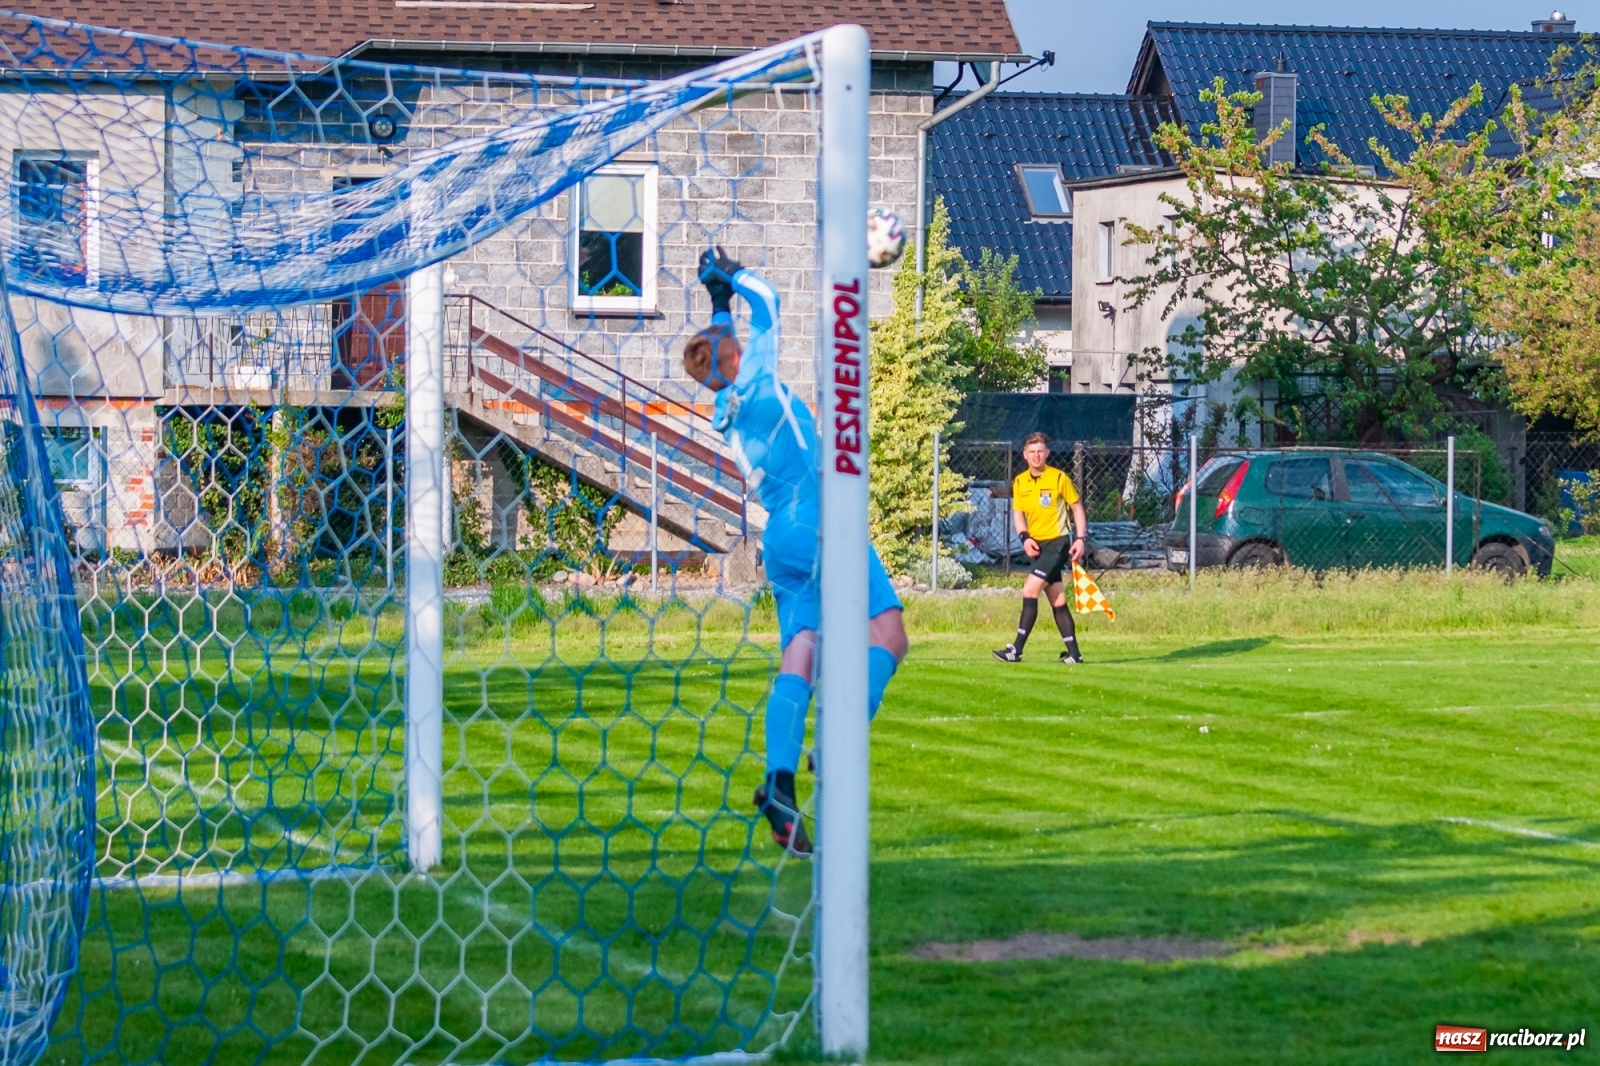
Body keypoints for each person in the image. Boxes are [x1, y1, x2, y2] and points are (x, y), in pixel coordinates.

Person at [683, 246, 908, 855]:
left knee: (802, 653)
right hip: (822, 521)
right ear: (734, 357)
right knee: (888, 635)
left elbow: (725, 335)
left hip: (779, 538)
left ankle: (780, 782)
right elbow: (771, 303)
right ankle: (836, 745)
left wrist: (715, 299)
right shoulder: (756, 380)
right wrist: (734, 274)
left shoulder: (724, 410)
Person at [992, 432, 1090, 664]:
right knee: (1057, 600)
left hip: (1058, 543)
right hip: (1038, 546)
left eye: (1040, 451)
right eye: (1032, 452)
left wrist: (1081, 538)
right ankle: (1075, 653)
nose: (1036, 456)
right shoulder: (1019, 481)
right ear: (1025, 455)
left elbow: (1076, 507)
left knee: (1029, 590)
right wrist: (1024, 538)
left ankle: (1016, 650)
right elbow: (1018, 514)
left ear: (1047, 454)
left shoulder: (1059, 478)